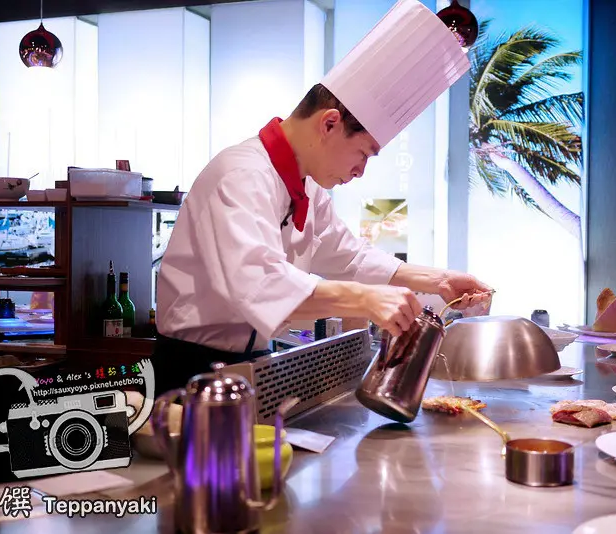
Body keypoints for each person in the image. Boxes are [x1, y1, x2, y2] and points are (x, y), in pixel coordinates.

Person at [153, 0, 491, 393]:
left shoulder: (307, 184)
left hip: (251, 364)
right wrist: (366, 300)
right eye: (364, 153)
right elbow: (260, 285)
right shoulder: (241, 174)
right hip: (190, 373)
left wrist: (440, 280)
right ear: (330, 123)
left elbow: (349, 256)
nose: (360, 171)